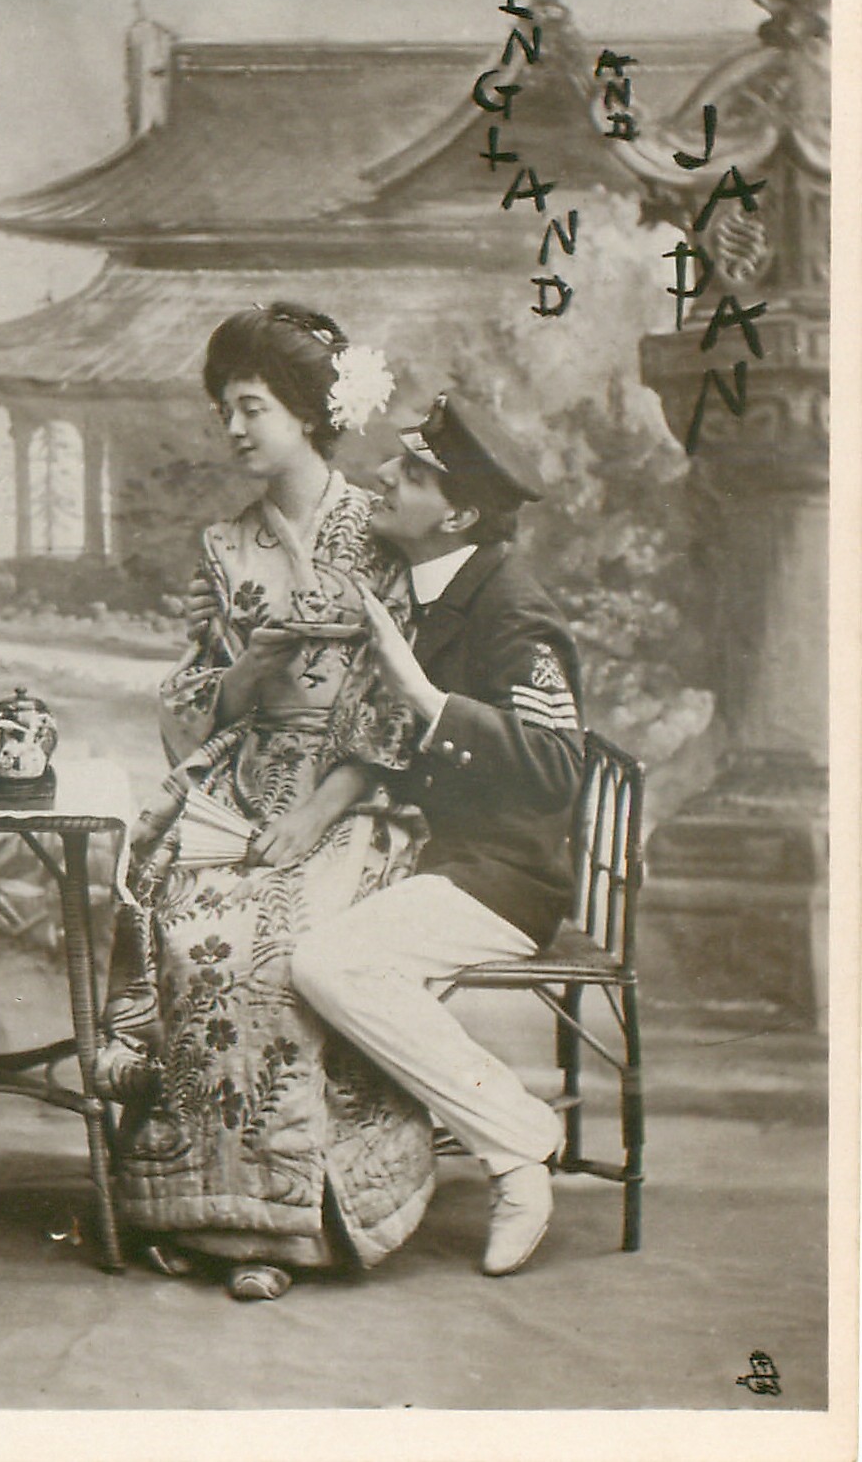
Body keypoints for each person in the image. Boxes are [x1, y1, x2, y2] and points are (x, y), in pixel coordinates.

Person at [94, 302, 434, 1302]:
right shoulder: (222, 545)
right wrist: (248, 668)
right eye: (225, 409)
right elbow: (195, 698)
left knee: (279, 950)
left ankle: (294, 1223)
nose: (234, 427)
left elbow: (395, 708)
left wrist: (319, 812)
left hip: (351, 794)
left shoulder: (380, 531)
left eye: (252, 407)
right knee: (192, 926)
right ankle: (196, 1209)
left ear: (307, 413)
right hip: (238, 784)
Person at [291, 391, 585, 1278]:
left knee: (328, 963)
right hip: (428, 851)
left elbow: (555, 765)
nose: (384, 473)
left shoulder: (511, 608)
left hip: (501, 876)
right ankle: (311, 1190)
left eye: (413, 472)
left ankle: (517, 1149)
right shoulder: (424, 581)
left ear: (456, 515)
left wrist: (423, 696)